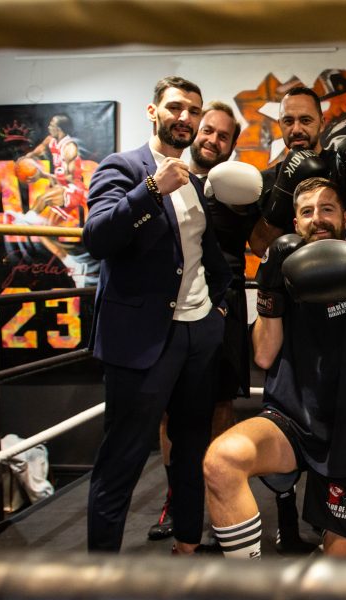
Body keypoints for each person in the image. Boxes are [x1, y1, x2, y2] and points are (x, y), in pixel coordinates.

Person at [203, 177, 346, 559]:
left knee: (339, 577)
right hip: (290, 418)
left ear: (345, 217)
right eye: (307, 212)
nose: (317, 219)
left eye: (326, 209)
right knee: (221, 461)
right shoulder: (286, 277)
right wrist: (270, 286)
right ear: (296, 223)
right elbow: (263, 355)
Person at [83, 76, 232, 554]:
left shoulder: (195, 180)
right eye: (175, 108)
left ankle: (188, 540)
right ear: (154, 112)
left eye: (193, 109)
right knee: (122, 459)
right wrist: (150, 188)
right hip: (143, 340)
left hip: (197, 335)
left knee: (191, 447)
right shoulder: (123, 167)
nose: (185, 117)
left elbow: (207, 255)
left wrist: (218, 309)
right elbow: (98, 239)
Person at [145, 101, 294, 547]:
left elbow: (265, 244)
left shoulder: (242, 186)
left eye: (223, 135)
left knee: (221, 405)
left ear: (232, 144)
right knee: (172, 409)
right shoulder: (169, 177)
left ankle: (217, 496)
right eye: (207, 130)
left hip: (223, 302)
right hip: (173, 302)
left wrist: (276, 196)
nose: (212, 139)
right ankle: (177, 498)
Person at [252, 87, 346, 254]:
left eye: (305, 120)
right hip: (287, 278)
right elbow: (260, 247)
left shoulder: (345, 168)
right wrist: (282, 192)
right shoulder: (266, 180)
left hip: (343, 273)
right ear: (280, 124)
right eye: (288, 121)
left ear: (322, 123)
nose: (296, 129)